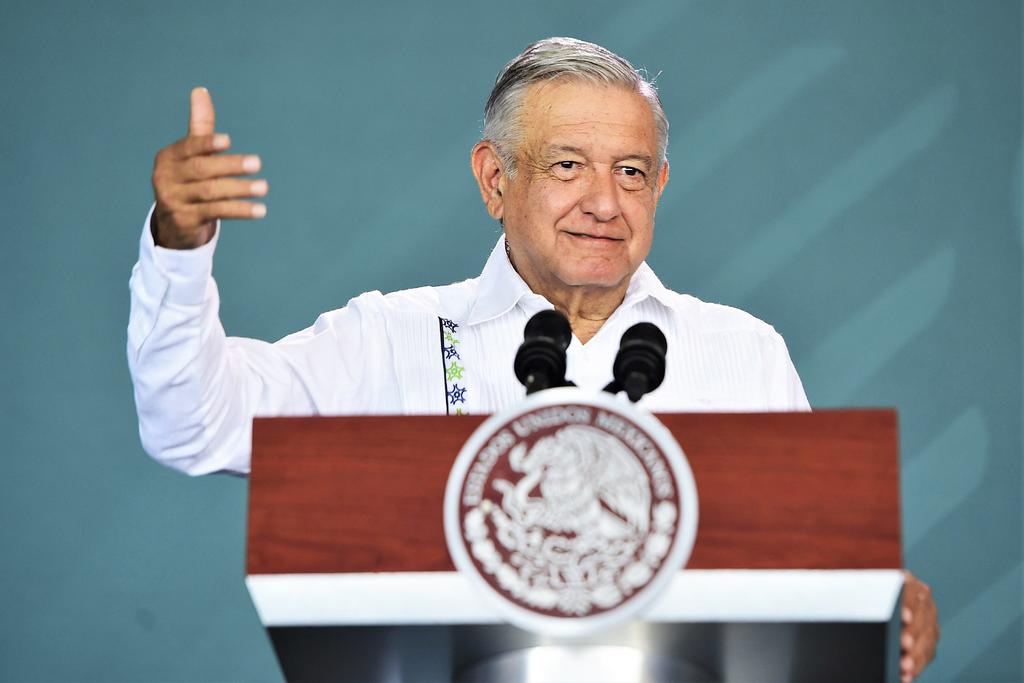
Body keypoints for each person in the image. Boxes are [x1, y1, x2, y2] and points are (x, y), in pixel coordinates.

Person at [127, 36, 937, 681]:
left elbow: (811, 575)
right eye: (567, 165)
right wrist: (179, 247)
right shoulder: (391, 337)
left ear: (659, 184)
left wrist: (878, 601)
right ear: (494, 179)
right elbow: (193, 424)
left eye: (630, 172)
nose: (604, 202)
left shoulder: (742, 352)